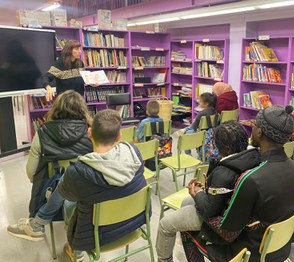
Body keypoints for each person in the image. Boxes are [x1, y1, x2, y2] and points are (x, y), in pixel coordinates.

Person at [182, 106, 294, 262]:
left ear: (260, 132)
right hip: (279, 247)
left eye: (254, 125)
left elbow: (226, 231)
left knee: (185, 230)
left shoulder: (251, 179)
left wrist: (199, 198)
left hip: (248, 254)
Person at [156, 121, 260, 262]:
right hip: (232, 210)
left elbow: (209, 210)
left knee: (164, 224)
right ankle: (188, 238)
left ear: (227, 149)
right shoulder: (254, 157)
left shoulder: (224, 172)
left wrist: (197, 192)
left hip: (219, 219)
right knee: (186, 202)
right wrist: (208, 188)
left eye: (217, 146)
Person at [58, 109, 147, 261]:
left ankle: (76, 251)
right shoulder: (134, 153)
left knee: (68, 204)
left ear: (89, 133)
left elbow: (64, 193)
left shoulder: (77, 171)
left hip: (95, 236)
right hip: (134, 222)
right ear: (119, 136)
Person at [7, 90, 93, 241]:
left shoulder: (43, 132)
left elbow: (31, 171)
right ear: (82, 109)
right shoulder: (91, 131)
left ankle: (36, 224)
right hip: (85, 193)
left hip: (50, 192)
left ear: (56, 108)